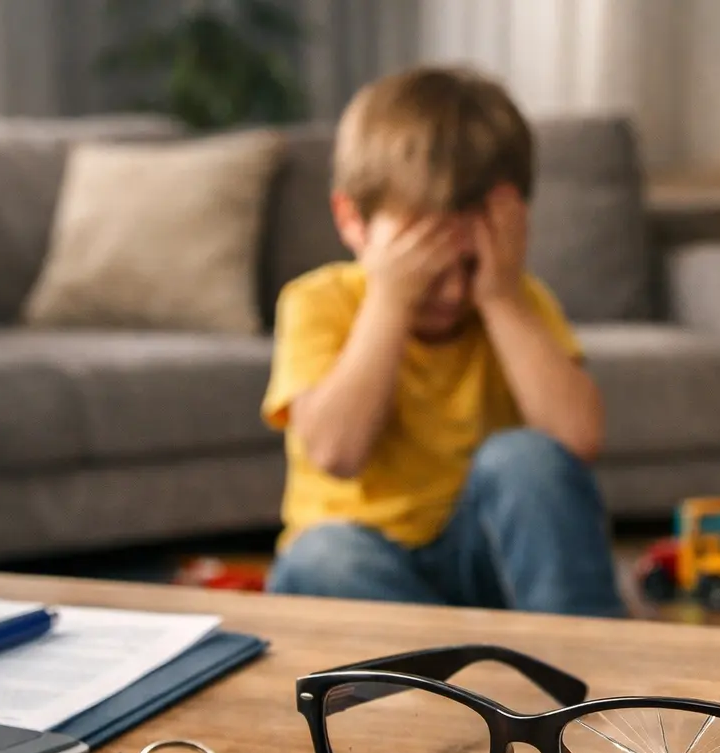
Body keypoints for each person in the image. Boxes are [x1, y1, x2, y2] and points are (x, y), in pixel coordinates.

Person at [262, 67, 625, 618]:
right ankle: (467, 669)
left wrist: (501, 296)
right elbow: (337, 451)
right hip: (366, 572)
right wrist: (390, 301)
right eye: (426, 267)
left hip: (485, 566)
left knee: (526, 460)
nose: (456, 291)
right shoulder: (317, 302)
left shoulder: (515, 299)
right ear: (352, 221)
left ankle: (585, 668)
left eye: (471, 263)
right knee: (321, 557)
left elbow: (576, 442)